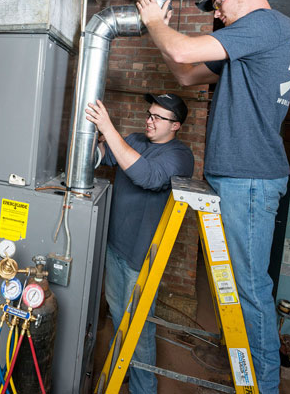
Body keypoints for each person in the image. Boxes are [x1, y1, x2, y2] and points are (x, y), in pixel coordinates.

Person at [136, 0, 290, 393]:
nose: (218, 13)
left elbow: (186, 54)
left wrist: (156, 21)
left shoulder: (267, 24)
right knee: (241, 287)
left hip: (249, 180)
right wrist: (165, 35)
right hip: (238, 179)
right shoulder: (249, 46)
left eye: (220, 2)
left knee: (249, 290)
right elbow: (186, 73)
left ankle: (264, 387)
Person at [86, 93, 194, 394]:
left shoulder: (180, 155)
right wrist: (94, 138)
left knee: (139, 326)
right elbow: (103, 157)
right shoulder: (134, 140)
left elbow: (148, 177)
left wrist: (108, 128)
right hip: (115, 246)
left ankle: (143, 387)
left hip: (142, 256)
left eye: (158, 117)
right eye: (150, 114)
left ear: (176, 126)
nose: (150, 120)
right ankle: (129, 371)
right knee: (120, 316)